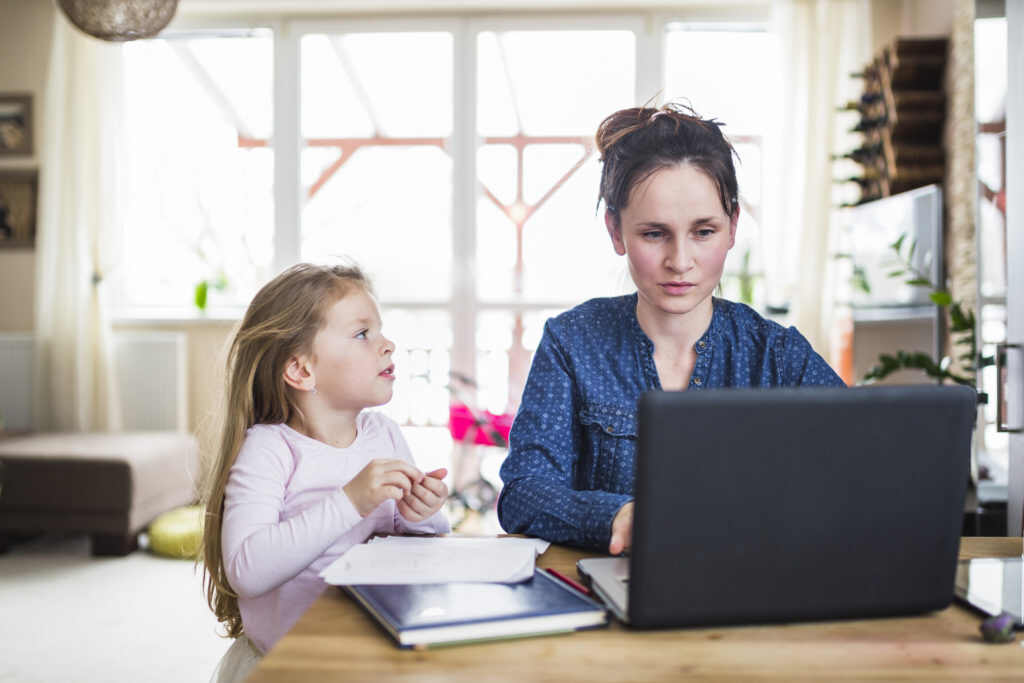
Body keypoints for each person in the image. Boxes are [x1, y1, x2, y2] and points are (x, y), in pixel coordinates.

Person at [497, 102, 845, 556]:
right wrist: (616, 516)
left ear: (733, 226)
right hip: (609, 597)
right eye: (654, 234)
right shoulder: (572, 342)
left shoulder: (778, 353)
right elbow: (523, 492)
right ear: (616, 232)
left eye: (704, 232)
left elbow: (858, 467)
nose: (680, 261)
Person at [200, 263, 450, 682]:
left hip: (374, 652)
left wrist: (421, 514)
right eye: (361, 333)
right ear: (301, 370)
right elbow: (246, 569)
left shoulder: (383, 434)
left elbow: (415, 550)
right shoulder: (269, 449)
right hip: (296, 666)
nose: (387, 344)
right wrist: (351, 501)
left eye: (380, 330)